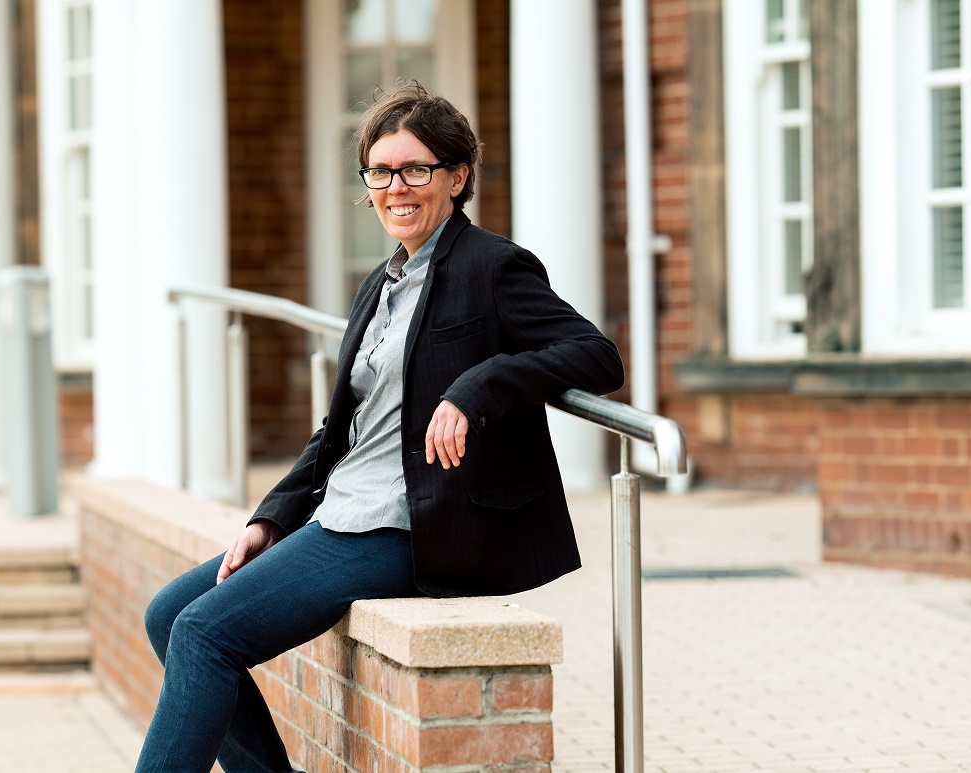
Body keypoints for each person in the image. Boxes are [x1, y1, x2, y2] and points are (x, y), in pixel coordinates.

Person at [134, 82, 625, 773]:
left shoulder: (492, 267)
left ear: (457, 177)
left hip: (410, 527)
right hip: (341, 512)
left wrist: (477, 387)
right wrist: (271, 518)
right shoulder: (382, 281)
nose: (397, 186)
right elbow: (340, 428)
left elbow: (596, 355)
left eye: (416, 169)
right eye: (381, 171)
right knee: (169, 615)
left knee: (204, 634)